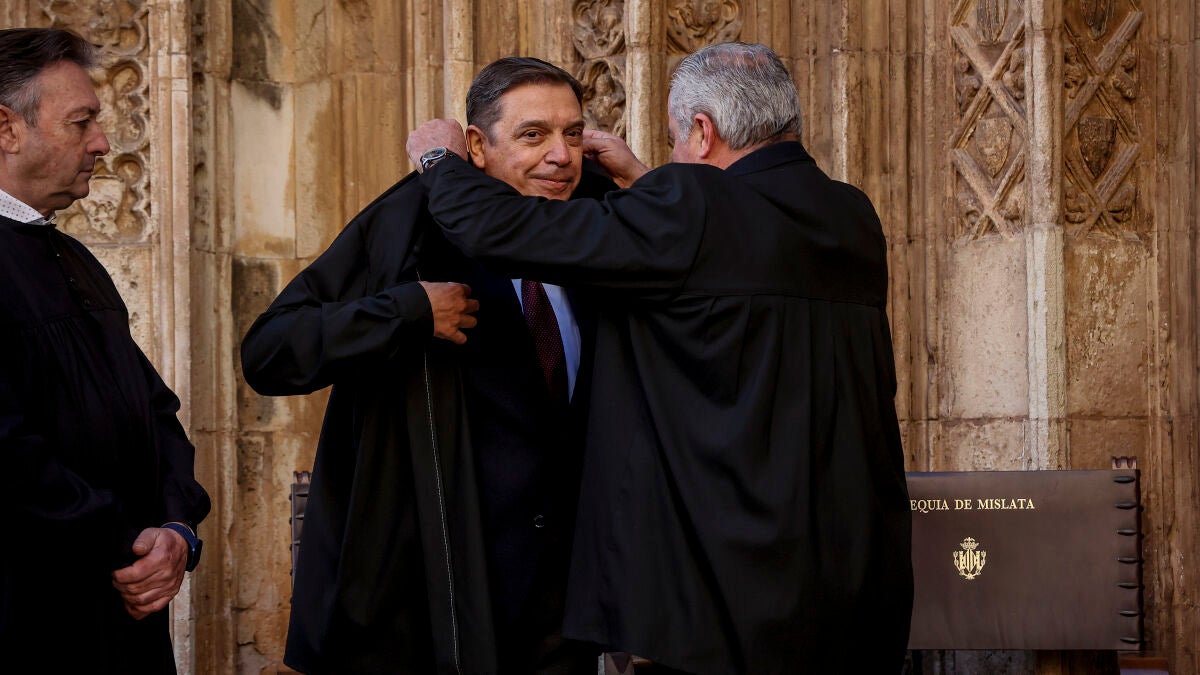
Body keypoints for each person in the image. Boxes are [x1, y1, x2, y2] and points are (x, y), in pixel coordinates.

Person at [407, 42, 914, 674]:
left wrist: (440, 160)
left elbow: (500, 231)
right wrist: (646, 181)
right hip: (850, 580)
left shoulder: (689, 200)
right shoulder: (850, 215)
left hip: (726, 593)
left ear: (702, 132)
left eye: (676, 140)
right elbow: (729, 256)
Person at [242, 57, 615, 674]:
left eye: (572, 134)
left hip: (562, 610)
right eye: (533, 135)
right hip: (429, 606)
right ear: (476, 146)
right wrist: (406, 311)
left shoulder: (598, 224)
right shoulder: (408, 222)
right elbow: (270, 350)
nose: (560, 156)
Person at [0, 27, 211, 673]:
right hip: (33, 617)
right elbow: (7, 450)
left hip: (125, 610)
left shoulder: (73, 258)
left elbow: (154, 410)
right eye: (82, 121)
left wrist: (176, 530)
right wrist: (124, 542)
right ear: (6, 128)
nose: (101, 142)